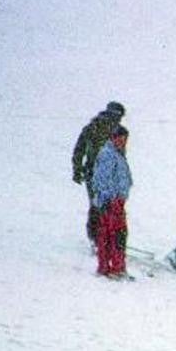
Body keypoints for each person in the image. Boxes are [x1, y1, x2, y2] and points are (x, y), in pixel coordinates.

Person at [72, 101, 126, 246]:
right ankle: (97, 238)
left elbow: (121, 156)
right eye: (118, 117)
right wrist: (77, 170)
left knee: (109, 207)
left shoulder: (119, 131)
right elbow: (79, 149)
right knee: (98, 206)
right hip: (94, 173)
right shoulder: (92, 128)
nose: (118, 120)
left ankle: (105, 237)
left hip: (109, 176)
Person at [91, 125, 133, 279]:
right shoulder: (108, 154)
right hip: (110, 202)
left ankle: (117, 267)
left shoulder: (118, 154)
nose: (123, 142)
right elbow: (102, 180)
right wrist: (109, 199)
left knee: (118, 235)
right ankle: (110, 268)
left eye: (125, 140)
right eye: (121, 139)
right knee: (112, 236)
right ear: (114, 138)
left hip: (117, 202)